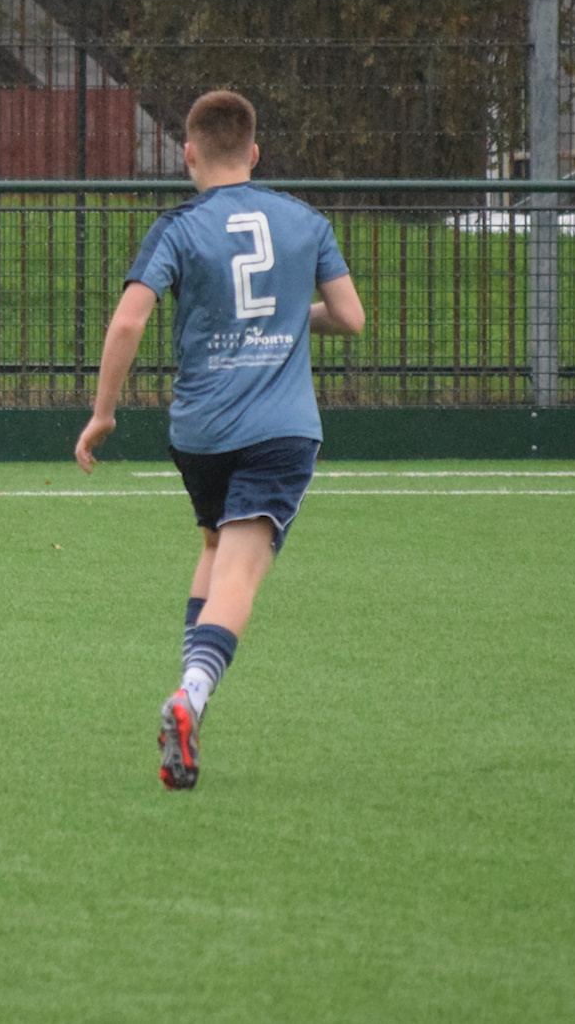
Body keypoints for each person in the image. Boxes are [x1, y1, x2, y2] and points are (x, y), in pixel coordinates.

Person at [74, 90, 365, 790]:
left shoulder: (176, 227)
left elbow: (126, 323)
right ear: (256, 153)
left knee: (213, 543)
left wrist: (103, 413)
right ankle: (190, 697)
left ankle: (188, 695)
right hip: (279, 429)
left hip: (200, 431)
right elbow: (351, 317)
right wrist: (292, 315)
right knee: (240, 567)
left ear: (190, 155)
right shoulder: (304, 220)